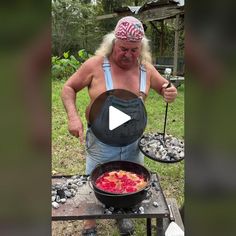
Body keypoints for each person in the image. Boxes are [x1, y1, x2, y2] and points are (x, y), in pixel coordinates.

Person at [61, 16, 177, 236]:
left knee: (129, 182)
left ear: (140, 48)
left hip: (133, 141)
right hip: (101, 139)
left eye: (134, 50)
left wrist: (169, 91)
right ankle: (90, 224)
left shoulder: (146, 69)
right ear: (113, 42)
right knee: (94, 181)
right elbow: (68, 88)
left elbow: (165, 87)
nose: (129, 55)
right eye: (124, 48)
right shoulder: (95, 66)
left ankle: (122, 215)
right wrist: (73, 117)